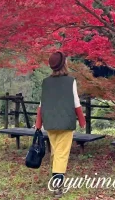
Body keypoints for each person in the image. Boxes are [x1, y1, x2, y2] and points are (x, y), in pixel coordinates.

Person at [35, 51, 86, 197]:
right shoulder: (70, 81)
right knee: (62, 154)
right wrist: (82, 121)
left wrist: (38, 124)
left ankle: (55, 179)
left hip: (50, 122)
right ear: (64, 64)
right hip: (66, 122)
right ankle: (57, 185)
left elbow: (41, 105)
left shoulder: (46, 82)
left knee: (56, 152)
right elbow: (76, 104)